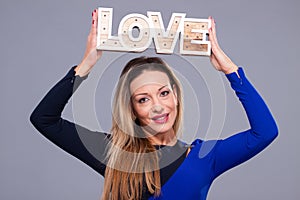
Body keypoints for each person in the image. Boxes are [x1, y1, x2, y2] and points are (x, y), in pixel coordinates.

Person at [30, 9, 278, 200]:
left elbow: (265, 132)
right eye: (143, 99)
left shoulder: (204, 157)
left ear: (176, 97)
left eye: (163, 93)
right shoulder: (115, 154)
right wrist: (86, 65)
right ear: (133, 110)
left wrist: (229, 70)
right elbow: (44, 118)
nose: (158, 106)